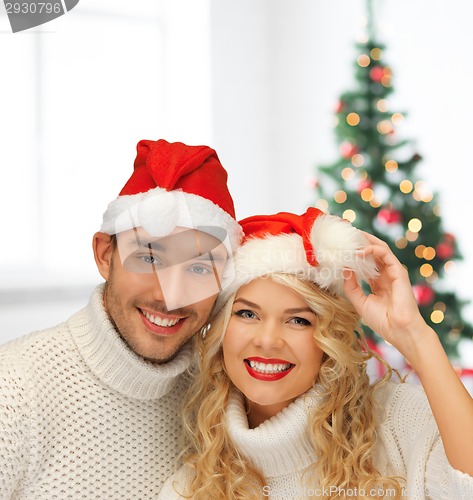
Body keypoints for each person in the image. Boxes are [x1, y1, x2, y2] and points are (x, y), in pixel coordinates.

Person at [159, 207, 473, 499]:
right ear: (221, 329)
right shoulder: (191, 488)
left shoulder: (398, 422)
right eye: (247, 314)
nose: (268, 341)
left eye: (298, 320)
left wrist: (415, 336)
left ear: (329, 337)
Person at [0, 139, 242, 499]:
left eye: (198, 267)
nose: (169, 296)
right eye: (149, 258)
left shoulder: (220, 396)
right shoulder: (14, 390)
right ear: (104, 254)